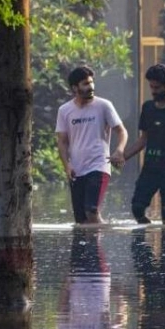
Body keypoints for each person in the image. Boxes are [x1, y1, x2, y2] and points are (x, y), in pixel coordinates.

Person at [56, 65, 128, 224]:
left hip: (99, 165)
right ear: (75, 88)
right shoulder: (64, 110)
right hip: (77, 169)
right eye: (86, 84)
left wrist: (119, 150)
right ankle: (93, 245)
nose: (91, 87)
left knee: (92, 210)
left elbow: (122, 131)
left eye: (91, 83)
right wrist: (67, 166)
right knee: (81, 220)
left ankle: (99, 248)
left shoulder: (104, 105)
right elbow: (62, 141)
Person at [124, 63, 165, 225]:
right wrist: (123, 157)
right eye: (151, 87)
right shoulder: (148, 108)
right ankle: (145, 239)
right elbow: (143, 139)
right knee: (137, 207)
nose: (153, 91)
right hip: (150, 167)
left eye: (157, 87)